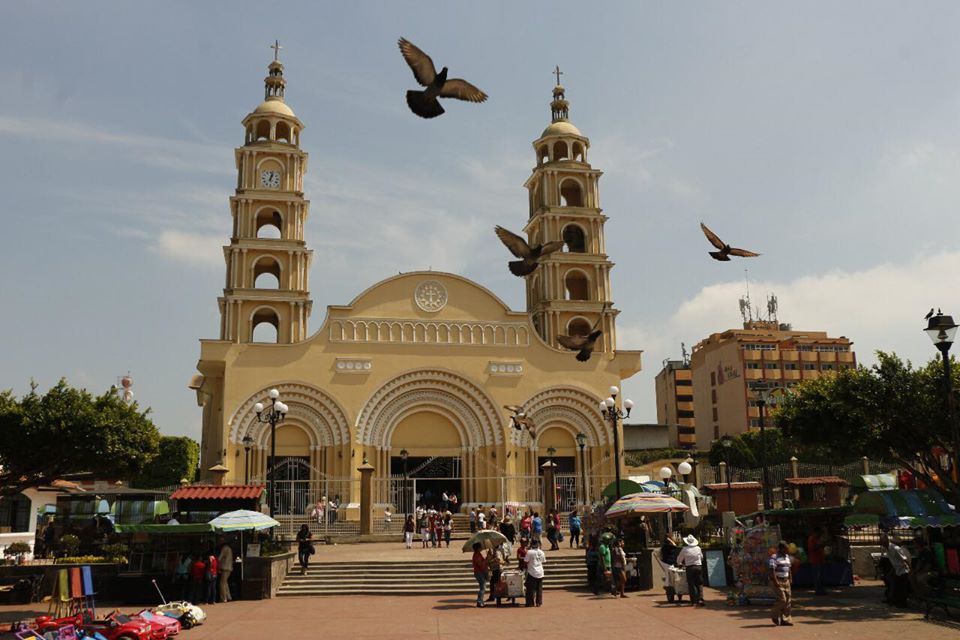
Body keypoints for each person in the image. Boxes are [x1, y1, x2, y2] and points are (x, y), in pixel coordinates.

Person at [768, 541, 794, 626]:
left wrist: (790, 578)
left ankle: (785, 620)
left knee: (788, 600)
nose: (787, 550)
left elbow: (789, 569)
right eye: (786, 549)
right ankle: (774, 615)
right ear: (781, 549)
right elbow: (772, 570)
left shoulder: (787, 557)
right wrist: (775, 581)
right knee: (782, 600)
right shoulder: (774, 557)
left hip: (786, 581)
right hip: (778, 580)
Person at [883, 532, 911, 608]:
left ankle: (902, 603)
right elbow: (894, 561)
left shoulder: (897, 549)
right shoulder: (888, 549)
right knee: (898, 586)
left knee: (902, 588)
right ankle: (896, 600)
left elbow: (905, 560)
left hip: (903, 570)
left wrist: (910, 570)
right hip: (897, 570)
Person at [676, 534, 704, 606]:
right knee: (699, 583)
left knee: (691, 584)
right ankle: (700, 599)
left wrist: (679, 564)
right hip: (698, 566)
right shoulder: (698, 548)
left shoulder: (685, 549)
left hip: (690, 568)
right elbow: (701, 557)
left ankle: (694, 601)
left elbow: (679, 559)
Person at [524, 539, 546, 607]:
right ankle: (539, 602)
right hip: (540, 572)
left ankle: (530, 602)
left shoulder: (529, 552)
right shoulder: (541, 552)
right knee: (539, 589)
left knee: (530, 588)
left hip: (532, 572)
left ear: (531, 544)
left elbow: (526, 561)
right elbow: (543, 561)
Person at [807, 526, 827, 595]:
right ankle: (818, 590)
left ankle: (821, 589)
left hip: (820, 559)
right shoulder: (811, 539)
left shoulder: (817, 538)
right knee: (817, 576)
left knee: (821, 576)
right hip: (815, 560)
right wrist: (820, 545)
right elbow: (813, 548)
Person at [472, 542, 488, 608]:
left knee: (482, 587)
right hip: (479, 572)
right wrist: (486, 561)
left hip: (479, 572)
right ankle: (479, 601)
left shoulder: (478, 554)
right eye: (480, 547)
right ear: (478, 548)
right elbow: (480, 564)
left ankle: (480, 601)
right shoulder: (476, 555)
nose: (481, 548)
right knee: (482, 587)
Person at [217, 538, 234, 603]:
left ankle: (224, 598)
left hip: (225, 567)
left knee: (222, 583)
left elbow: (219, 558)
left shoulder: (224, 548)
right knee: (225, 582)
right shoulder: (229, 548)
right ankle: (228, 596)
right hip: (229, 567)